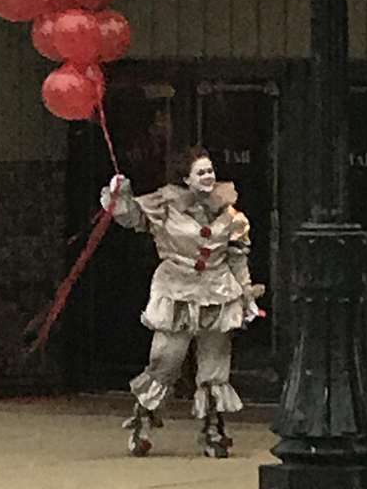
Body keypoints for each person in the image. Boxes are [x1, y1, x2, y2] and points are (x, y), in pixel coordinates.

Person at [100, 145, 263, 458]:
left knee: (215, 366)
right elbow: (133, 216)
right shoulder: (166, 205)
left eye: (211, 170)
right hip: (176, 290)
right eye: (201, 171)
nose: (208, 176)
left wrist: (246, 293)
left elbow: (237, 256)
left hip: (218, 292)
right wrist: (121, 194)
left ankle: (213, 430)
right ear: (186, 178)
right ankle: (143, 421)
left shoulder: (229, 212)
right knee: (166, 359)